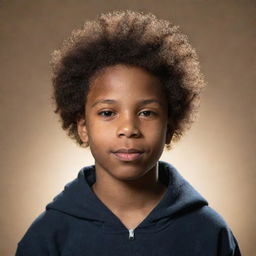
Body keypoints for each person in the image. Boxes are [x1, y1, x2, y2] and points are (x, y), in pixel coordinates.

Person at [15, 10, 241, 255]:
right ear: (83, 127)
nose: (128, 129)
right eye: (107, 113)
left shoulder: (209, 233)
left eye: (147, 113)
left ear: (170, 127)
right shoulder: (48, 237)